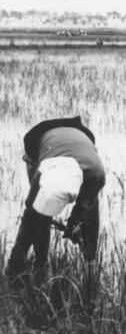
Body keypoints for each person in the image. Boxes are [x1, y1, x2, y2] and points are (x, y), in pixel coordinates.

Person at [5, 117, 106, 287]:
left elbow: (85, 205)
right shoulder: (42, 171)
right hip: (39, 137)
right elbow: (30, 214)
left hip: (81, 139)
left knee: (90, 209)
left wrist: (76, 221)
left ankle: (90, 265)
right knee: (35, 216)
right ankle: (36, 265)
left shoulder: (95, 175)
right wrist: (17, 257)